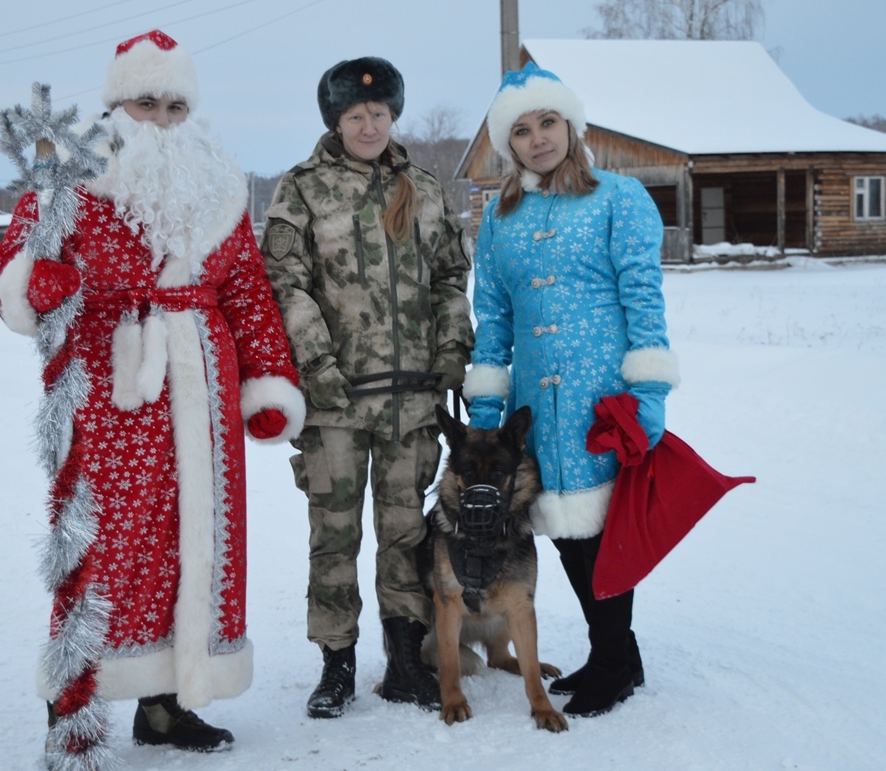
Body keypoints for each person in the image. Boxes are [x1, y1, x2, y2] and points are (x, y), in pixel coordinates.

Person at [0, 29, 306, 769]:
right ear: (115, 105)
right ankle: (74, 704)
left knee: (198, 543)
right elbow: (16, 267)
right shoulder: (71, 177)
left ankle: (167, 705)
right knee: (108, 542)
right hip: (111, 384)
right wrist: (40, 287)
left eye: (172, 104)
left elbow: (247, 292)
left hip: (204, 385)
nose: (160, 117)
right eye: (145, 102)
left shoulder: (221, 180)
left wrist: (266, 378)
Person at [463, 62, 680, 718]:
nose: (538, 138)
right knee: (562, 529)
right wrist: (486, 410)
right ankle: (619, 650)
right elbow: (493, 317)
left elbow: (644, 299)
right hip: (537, 410)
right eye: (523, 130)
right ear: (509, 143)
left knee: (605, 534)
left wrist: (648, 398)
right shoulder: (501, 219)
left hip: (601, 401)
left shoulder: (619, 198)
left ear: (571, 125)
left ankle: (612, 661)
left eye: (548, 122)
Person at [261, 56, 474, 719]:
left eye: (379, 113)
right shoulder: (301, 190)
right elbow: (284, 283)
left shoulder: (425, 187)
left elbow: (448, 278)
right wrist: (317, 365)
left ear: (393, 116)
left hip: (413, 397)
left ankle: (407, 656)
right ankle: (336, 662)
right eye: (355, 114)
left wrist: (451, 351)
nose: (369, 124)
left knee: (406, 530)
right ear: (335, 120)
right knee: (333, 535)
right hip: (334, 399)